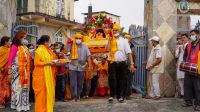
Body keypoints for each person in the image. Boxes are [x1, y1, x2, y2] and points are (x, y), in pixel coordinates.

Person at [106, 23, 136, 103]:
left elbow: (129, 53)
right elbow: (107, 49)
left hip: (122, 63)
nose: (115, 31)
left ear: (119, 31)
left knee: (121, 80)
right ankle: (112, 95)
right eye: (113, 30)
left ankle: (120, 96)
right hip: (112, 62)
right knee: (112, 79)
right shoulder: (111, 39)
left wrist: (132, 64)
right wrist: (109, 40)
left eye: (116, 30)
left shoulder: (124, 41)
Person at [33, 35, 57, 112]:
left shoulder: (47, 49)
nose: (50, 42)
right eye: (49, 41)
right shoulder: (40, 49)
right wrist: (48, 63)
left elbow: (52, 59)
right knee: (41, 95)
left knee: (47, 94)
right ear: (45, 42)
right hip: (41, 76)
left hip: (48, 74)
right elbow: (36, 62)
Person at [8, 31, 31, 111]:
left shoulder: (24, 47)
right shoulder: (14, 46)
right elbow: (10, 59)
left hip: (24, 71)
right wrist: (9, 71)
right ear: (19, 37)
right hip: (16, 71)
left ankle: (24, 105)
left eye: (25, 38)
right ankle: (17, 106)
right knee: (17, 88)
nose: (25, 39)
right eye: (23, 37)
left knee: (24, 88)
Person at [68, 33, 91, 102]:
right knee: (72, 83)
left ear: (82, 39)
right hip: (72, 66)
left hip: (82, 66)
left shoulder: (85, 46)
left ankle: (78, 96)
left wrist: (90, 65)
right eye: (77, 38)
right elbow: (65, 51)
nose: (78, 39)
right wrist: (67, 43)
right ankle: (73, 97)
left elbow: (88, 56)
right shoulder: (71, 45)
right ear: (75, 39)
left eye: (79, 38)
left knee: (80, 83)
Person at [182, 30, 200, 111]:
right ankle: (188, 101)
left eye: (193, 34)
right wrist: (185, 62)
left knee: (198, 87)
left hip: (198, 69)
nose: (191, 36)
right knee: (187, 85)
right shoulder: (188, 45)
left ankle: (198, 104)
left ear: (198, 35)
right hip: (188, 68)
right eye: (190, 35)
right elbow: (185, 55)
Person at [146, 36, 164, 100]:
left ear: (154, 41)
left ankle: (157, 95)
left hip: (156, 68)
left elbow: (159, 60)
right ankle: (152, 95)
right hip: (154, 67)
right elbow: (152, 58)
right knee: (152, 81)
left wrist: (151, 66)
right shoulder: (155, 48)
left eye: (152, 41)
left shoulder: (158, 49)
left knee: (155, 82)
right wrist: (147, 63)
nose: (151, 42)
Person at [0, 36, 11, 108]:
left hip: (7, 71)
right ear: (5, 42)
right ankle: (1, 102)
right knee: (1, 86)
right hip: (1, 70)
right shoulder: (0, 49)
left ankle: (4, 100)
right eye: (9, 41)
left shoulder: (10, 50)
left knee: (6, 86)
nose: (10, 43)